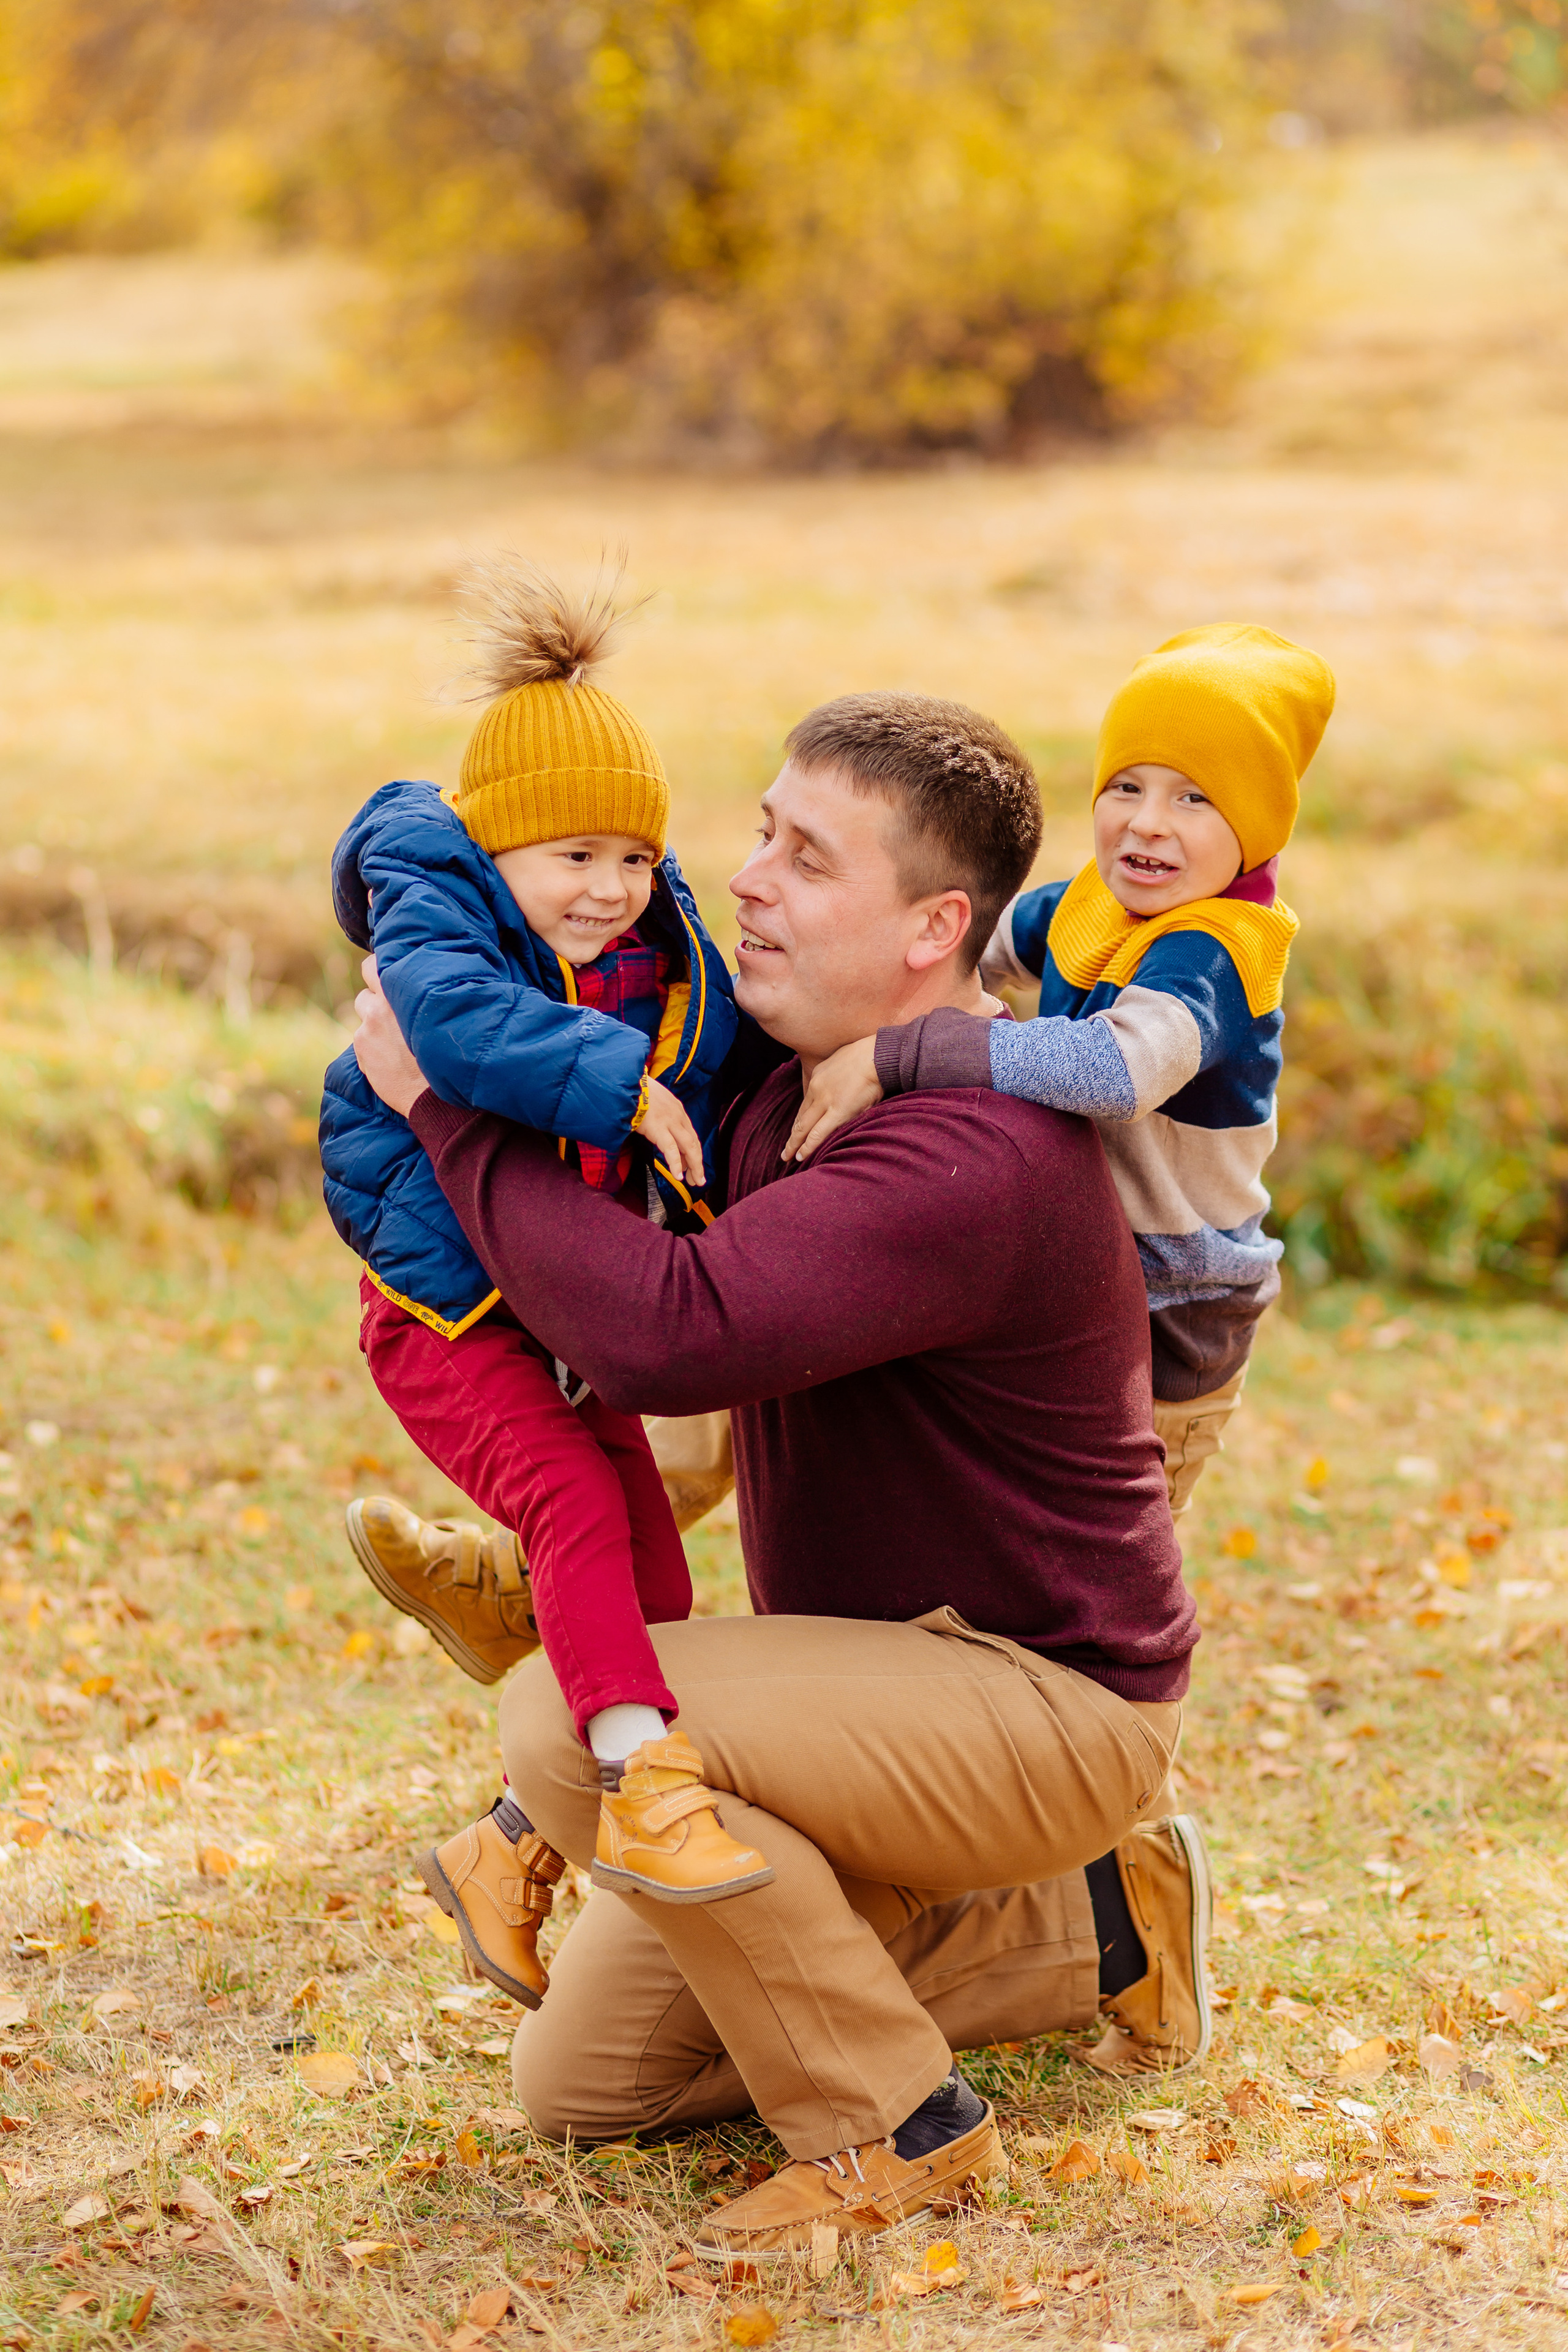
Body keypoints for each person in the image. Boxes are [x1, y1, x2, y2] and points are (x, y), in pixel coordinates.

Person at [350, 690, 1212, 2263]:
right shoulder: (775, 1074)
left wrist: (440, 1109)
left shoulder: (967, 1157)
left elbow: (659, 1340)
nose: (744, 877)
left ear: (931, 925)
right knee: (585, 2083)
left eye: (805, 858)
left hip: (1039, 1694)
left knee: (565, 1721)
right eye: (759, 831)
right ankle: (1079, 1926)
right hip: (870, 1699)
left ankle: (894, 2127)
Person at [317, 564, 787, 2010]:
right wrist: (615, 1087)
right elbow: (453, 1031)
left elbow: (735, 1053)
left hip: (561, 1315)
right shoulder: (434, 906)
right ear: (498, 847)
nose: (606, 888)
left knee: (656, 1566)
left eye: (631, 857)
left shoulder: (650, 951)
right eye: (570, 856)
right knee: (573, 1507)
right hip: (447, 1319)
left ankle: (511, 1844)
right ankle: (642, 1783)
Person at [785, 625, 1335, 1523]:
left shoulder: (1219, 957)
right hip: (1073, 1266)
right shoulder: (1092, 900)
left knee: (1095, 1549)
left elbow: (1114, 1069)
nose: (1148, 821)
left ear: (1257, 826)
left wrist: (901, 1055)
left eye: (1196, 798)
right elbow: (972, 955)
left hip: (1171, 1319)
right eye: (1127, 786)